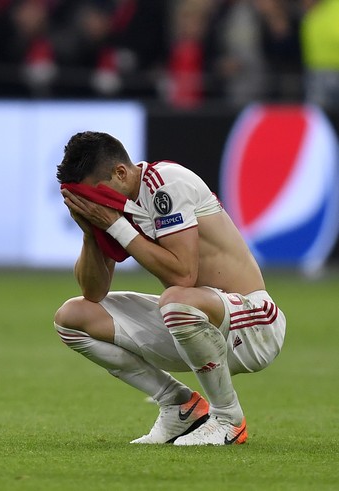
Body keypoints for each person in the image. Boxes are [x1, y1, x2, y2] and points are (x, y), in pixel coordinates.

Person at [53, 131, 285, 445]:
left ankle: (228, 419)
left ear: (121, 173)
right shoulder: (114, 208)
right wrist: (91, 234)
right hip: (195, 324)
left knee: (175, 299)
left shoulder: (165, 183)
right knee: (73, 316)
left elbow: (184, 275)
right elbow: (94, 293)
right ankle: (179, 405)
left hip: (253, 323)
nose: (95, 204)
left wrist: (115, 226)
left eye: (95, 193)